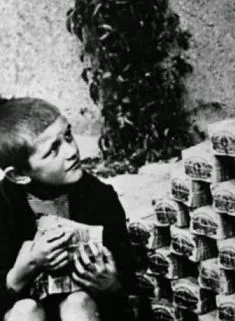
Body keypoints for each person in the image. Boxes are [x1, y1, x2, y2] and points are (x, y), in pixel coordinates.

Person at [0, 97, 134, 321]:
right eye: (53, 150)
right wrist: (21, 272)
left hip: (85, 311)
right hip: (24, 310)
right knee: (26, 311)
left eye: (68, 136)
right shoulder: (3, 206)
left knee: (77, 304)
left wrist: (111, 283)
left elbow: (126, 277)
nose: (71, 151)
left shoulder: (99, 197)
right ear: (19, 175)